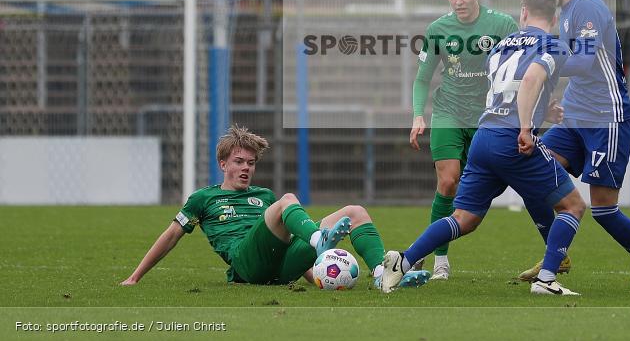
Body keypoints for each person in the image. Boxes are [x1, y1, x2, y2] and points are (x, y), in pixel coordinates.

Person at [381, 0, 586, 296]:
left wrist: (545, 108)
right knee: (573, 206)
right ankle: (546, 279)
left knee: (464, 218)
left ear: (524, 13)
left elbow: (507, 88)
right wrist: (528, 126)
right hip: (513, 139)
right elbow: (530, 79)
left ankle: (404, 261)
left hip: (484, 136)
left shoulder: (502, 46)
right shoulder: (553, 45)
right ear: (555, 18)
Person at [520, 0, 630, 292]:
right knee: (531, 169)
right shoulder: (567, 11)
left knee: (603, 209)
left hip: (607, 119)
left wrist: (542, 66)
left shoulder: (587, 5)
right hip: (576, 117)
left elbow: (585, 62)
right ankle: (556, 254)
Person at [121, 126, 429, 288]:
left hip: (281, 269)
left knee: (355, 211)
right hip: (247, 265)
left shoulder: (263, 195)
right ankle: (319, 241)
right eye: (239, 162)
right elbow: (171, 235)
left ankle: (382, 274)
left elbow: (285, 242)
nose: (245, 168)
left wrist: (318, 276)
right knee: (287, 201)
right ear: (223, 163)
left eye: (251, 163)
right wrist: (135, 276)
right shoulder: (203, 198)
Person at [409, 0, 519, 280]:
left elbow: (523, 67)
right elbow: (422, 78)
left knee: (477, 194)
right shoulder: (437, 29)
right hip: (447, 113)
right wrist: (419, 114)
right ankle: (439, 260)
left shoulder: (502, 24)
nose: (459, 1)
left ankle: (553, 258)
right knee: (447, 181)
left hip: (487, 117)